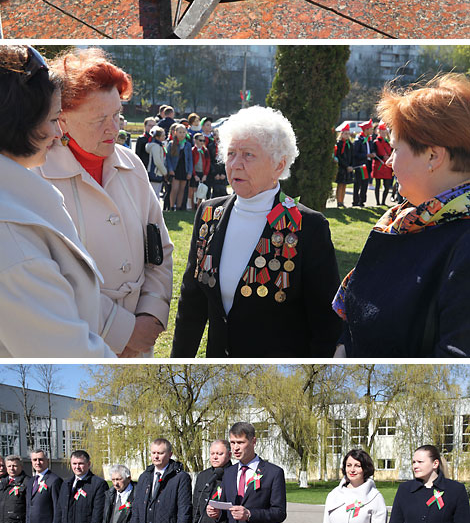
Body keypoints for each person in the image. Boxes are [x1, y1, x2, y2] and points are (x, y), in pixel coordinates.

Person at [172, 106, 341, 359]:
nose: (235, 165)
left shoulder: (307, 225)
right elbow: (191, 305)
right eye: (231, 154)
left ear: (278, 165)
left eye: (248, 155)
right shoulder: (209, 213)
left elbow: (325, 322)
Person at [333, 72, 470, 358]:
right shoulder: (404, 222)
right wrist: (343, 346)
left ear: (433, 156)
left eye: (395, 149)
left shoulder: (462, 242)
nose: (389, 160)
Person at [46, 52, 172, 358]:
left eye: (117, 114)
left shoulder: (131, 163)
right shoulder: (38, 174)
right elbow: (49, 278)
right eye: (99, 119)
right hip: (79, 344)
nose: (113, 128)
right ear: (62, 119)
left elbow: (159, 251)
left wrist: (151, 315)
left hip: (140, 345)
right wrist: (123, 332)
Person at [0, 47, 113, 359]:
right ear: (16, 123)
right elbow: (71, 356)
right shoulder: (13, 244)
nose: (57, 132)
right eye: (52, 119)